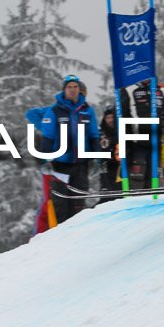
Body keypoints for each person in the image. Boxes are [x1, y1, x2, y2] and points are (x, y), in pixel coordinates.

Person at [40, 74, 101, 223]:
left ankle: (76, 235)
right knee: (60, 203)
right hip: (60, 164)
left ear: (80, 90)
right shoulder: (54, 110)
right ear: (64, 90)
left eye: (75, 87)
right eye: (69, 87)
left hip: (81, 164)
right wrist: (46, 160)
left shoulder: (87, 110)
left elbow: (94, 135)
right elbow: (48, 136)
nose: (72, 90)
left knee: (78, 202)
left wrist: (98, 159)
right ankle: (59, 236)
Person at [120, 80, 164, 188]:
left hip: (156, 144)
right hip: (136, 144)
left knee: (153, 180)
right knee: (137, 180)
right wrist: (125, 143)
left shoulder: (160, 91)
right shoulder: (129, 90)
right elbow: (123, 117)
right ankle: (135, 202)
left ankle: (151, 202)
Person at [98, 105, 120, 195]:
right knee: (107, 195)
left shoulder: (123, 130)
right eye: (108, 117)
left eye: (112, 117)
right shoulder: (101, 132)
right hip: (106, 168)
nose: (110, 120)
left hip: (121, 168)